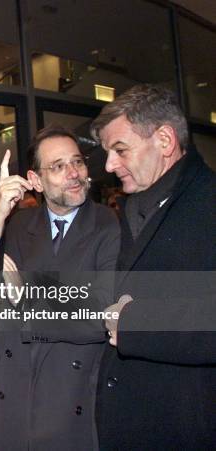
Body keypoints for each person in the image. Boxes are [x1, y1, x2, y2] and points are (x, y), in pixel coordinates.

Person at [0, 125, 120, 450]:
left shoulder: (108, 224)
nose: (74, 173)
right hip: (8, 388)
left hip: (67, 394)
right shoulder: (19, 224)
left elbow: (102, 313)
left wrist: (25, 295)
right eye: (58, 166)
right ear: (35, 181)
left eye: (77, 162)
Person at [90, 84, 216, 450]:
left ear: (164, 139)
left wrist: (131, 325)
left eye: (120, 150)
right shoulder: (134, 208)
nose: (110, 166)